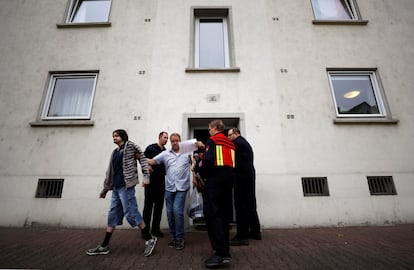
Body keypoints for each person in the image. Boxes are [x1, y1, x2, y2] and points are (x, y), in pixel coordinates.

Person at [86, 129, 157, 257]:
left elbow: (142, 157)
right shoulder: (114, 152)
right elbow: (110, 172)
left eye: (116, 135)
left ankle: (149, 239)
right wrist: (105, 190)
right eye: (113, 136)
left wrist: (146, 177)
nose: (114, 137)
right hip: (116, 188)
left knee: (131, 213)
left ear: (123, 136)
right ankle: (104, 245)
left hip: (126, 186)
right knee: (112, 214)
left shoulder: (130, 145)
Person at [147, 133, 195, 250]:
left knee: (177, 211)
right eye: (172, 141)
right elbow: (153, 161)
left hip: (181, 188)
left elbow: (193, 161)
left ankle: (180, 238)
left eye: (176, 140)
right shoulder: (165, 154)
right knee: (169, 213)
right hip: (169, 188)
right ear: (170, 142)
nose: (174, 143)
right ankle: (173, 238)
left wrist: (193, 166)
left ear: (180, 141)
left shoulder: (187, 152)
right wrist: (139, 157)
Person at [201, 120, 235, 268]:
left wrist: (199, 168)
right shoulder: (230, 143)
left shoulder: (212, 140)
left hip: (214, 183)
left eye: (209, 129)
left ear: (215, 128)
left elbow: (208, 161)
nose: (209, 131)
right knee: (224, 218)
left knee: (212, 216)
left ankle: (219, 254)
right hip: (228, 183)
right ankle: (226, 253)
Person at [227, 127, 261, 246]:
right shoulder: (245, 143)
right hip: (249, 177)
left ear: (236, 134)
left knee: (241, 206)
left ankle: (242, 236)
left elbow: (231, 160)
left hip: (241, 178)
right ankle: (255, 232)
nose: (228, 137)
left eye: (229, 135)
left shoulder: (237, 143)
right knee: (250, 205)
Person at [141, 131, 168, 239]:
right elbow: (142, 159)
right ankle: (145, 232)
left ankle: (155, 230)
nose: (166, 140)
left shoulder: (165, 151)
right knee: (148, 207)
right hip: (150, 182)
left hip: (161, 182)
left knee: (159, 207)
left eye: (167, 138)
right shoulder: (151, 148)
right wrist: (147, 167)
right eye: (165, 137)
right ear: (159, 137)